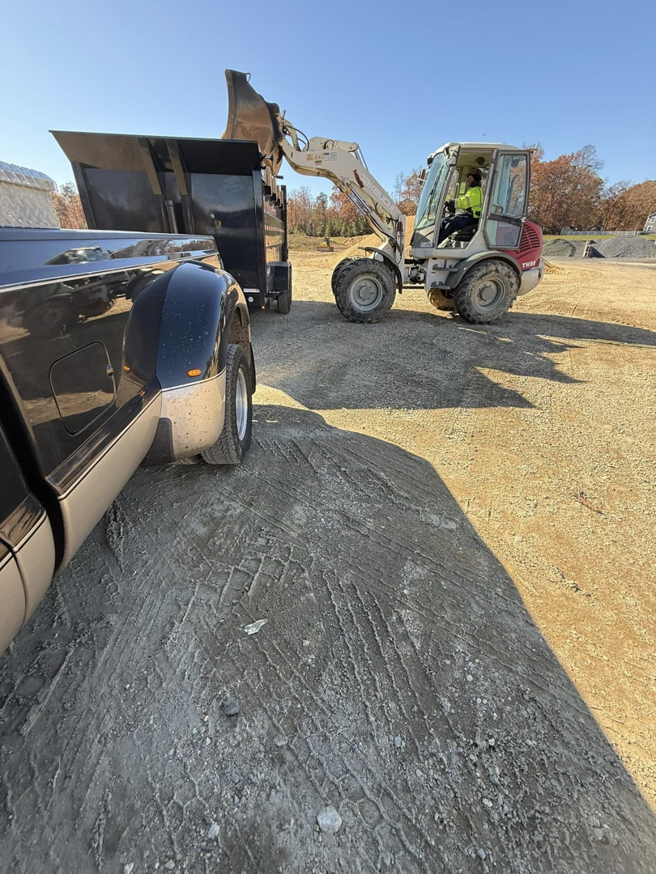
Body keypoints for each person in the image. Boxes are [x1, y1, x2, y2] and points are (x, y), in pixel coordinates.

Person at [437, 171, 484, 245]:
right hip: (468, 215)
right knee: (444, 220)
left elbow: (464, 203)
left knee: (451, 223)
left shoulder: (476, 190)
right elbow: (463, 201)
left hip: (473, 218)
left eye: (470, 178)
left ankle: (437, 244)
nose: (468, 180)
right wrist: (452, 205)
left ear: (475, 179)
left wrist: (451, 202)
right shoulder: (472, 190)